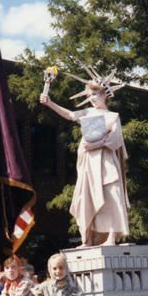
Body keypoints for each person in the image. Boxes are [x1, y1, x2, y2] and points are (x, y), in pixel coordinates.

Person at [40, 68, 129, 247]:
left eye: (95, 94)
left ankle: (111, 237)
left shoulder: (112, 117)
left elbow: (115, 139)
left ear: (105, 94)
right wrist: (50, 103)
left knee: (111, 196)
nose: (92, 98)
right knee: (85, 197)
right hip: (88, 163)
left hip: (105, 161)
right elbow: (70, 115)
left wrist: (97, 144)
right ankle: (87, 239)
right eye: (89, 95)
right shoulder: (88, 113)